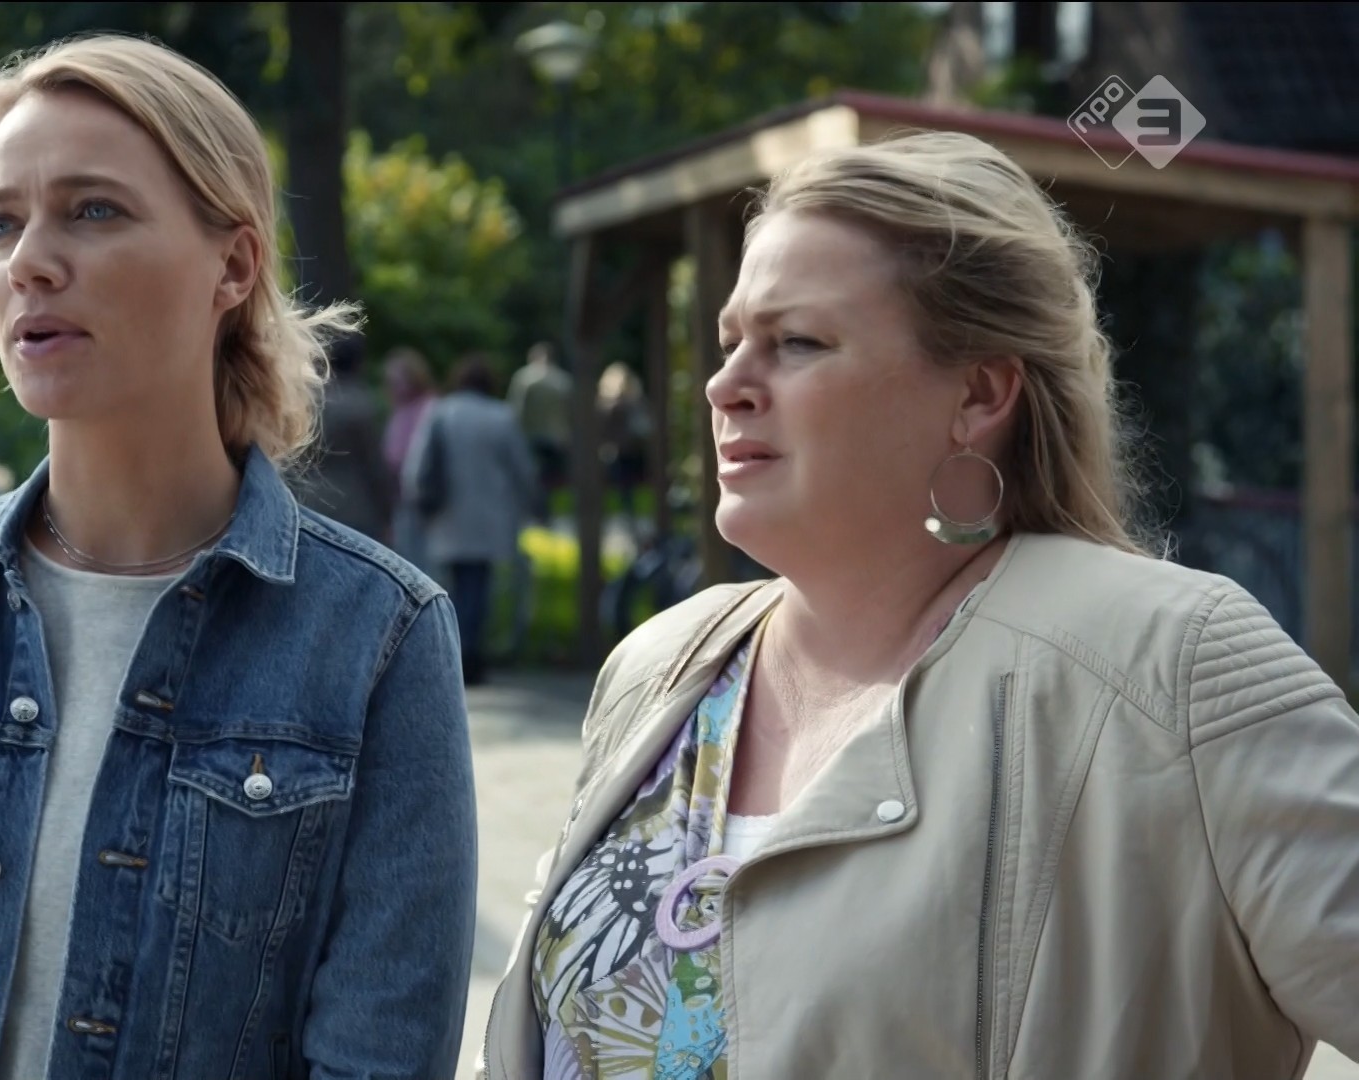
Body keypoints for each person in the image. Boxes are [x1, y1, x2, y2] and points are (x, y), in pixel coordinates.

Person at [481, 131, 1359, 1079]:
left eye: (797, 343)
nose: (724, 385)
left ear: (979, 393)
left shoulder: (1168, 664)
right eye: (732, 341)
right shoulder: (662, 664)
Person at [0, 32, 478, 1080]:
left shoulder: (377, 637)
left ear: (233, 264)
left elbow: (379, 1059)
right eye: (1, 222)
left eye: (93, 210)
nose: (28, 260)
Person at [407, 352, 537, 686]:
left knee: (448, 587)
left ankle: (452, 653)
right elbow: (522, 468)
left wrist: (418, 501)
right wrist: (533, 504)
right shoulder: (502, 417)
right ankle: (471, 654)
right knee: (477, 587)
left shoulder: (441, 412)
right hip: (489, 517)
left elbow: (418, 464)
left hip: (447, 515)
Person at [294, 331, 396, 542]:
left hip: (309, 501)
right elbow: (373, 465)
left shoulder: (307, 400)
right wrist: (387, 512)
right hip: (355, 506)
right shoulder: (361, 405)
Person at [382, 345, 438, 568]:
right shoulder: (399, 411)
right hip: (399, 495)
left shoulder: (430, 407)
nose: (394, 386)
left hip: (421, 496)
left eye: (398, 380)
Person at [506, 342, 573, 524]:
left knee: (533, 476)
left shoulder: (524, 378)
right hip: (556, 437)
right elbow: (570, 413)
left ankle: (537, 512)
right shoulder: (563, 381)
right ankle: (546, 512)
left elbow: (516, 409)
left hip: (530, 435)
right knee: (550, 478)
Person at [595, 362, 651, 529]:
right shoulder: (635, 402)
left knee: (623, 488)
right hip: (629, 451)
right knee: (627, 488)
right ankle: (628, 517)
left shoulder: (607, 404)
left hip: (619, 452)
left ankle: (625, 518)